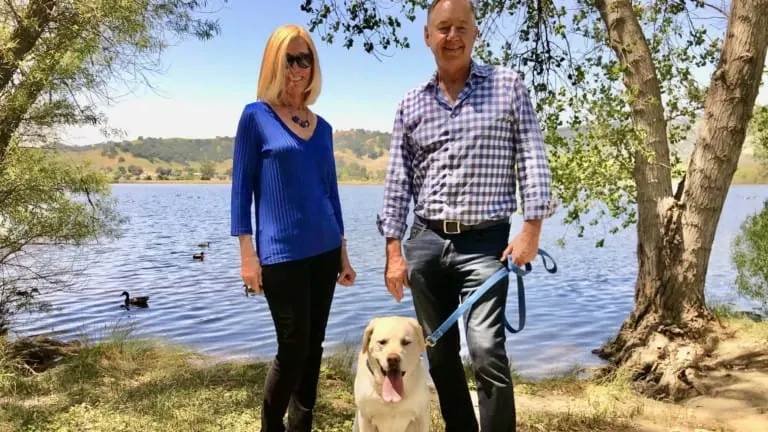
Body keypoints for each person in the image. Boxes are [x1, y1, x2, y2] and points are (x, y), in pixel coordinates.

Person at [376, 0, 557, 430]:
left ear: (475, 33)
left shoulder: (508, 86)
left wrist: (531, 228)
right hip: (424, 243)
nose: (451, 36)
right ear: (427, 36)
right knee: (438, 353)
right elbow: (397, 180)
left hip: (485, 245)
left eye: (461, 27)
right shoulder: (410, 104)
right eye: (442, 28)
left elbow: (532, 158)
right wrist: (393, 251)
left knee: (485, 350)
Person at [230, 23, 356, 432]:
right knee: (293, 345)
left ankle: (302, 424)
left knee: (313, 347)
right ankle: (272, 425)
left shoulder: (322, 128)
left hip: (323, 250)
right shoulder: (256, 117)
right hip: (280, 255)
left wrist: (343, 251)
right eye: (290, 59)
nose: (298, 68)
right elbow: (240, 192)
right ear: (274, 62)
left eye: (306, 59)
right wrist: (247, 256)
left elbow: (330, 192)